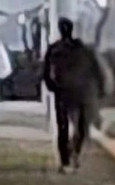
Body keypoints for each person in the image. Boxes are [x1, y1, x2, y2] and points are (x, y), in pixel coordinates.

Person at [41, 18, 104, 172]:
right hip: (80, 92)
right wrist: (100, 88)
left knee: (65, 127)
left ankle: (66, 159)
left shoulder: (55, 50)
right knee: (79, 127)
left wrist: (52, 86)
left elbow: (46, 72)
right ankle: (73, 154)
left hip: (65, 92)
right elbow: (96, 71)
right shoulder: (82, 50)